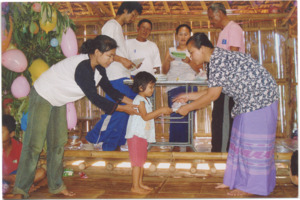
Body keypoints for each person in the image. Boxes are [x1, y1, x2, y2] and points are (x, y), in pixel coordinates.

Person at [12, 35, 139, 199]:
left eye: (113, 55)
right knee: (34, 144)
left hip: (58, 99)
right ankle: (20, 190)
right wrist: (125, 109)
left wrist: (135, 103)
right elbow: (95, 98)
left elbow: (113, 92)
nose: (112, 59)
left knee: (58, 143)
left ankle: (56, 186)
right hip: (44, 93)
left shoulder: (99, 69)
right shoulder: (83, 68)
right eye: (110, 55)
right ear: (97, 52)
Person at [174, 33, 278, 196]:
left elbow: (213, 96)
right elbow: (212, 91)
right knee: (239, 142)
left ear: (202, 49)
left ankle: (251, 186)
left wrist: (188, 108)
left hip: (260, 98)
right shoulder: (215, 60)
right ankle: (236, 180)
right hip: (247, 101)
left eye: (192, 52)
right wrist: (187, 97)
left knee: (252, 144)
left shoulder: (217, 60)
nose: (190, 56)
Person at [86, 2, 143, 151]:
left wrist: (129, 64)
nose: (133, 18)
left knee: (125, 111)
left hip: (122, 75)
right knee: (116, 111)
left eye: (136, 16)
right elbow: (105, 50)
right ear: (125, 10)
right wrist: (122, 60)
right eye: (133, 14)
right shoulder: (111, 25)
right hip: (113, 76)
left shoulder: (117, 28)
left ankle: (112, 144)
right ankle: (92, 138)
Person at [125, 71, 172, 194]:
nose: (152, 90)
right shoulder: (139, 100)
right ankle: (135, 186)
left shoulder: (145, 100)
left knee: (141, 161)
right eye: (150, 87)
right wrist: (161, 110)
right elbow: (145, 117)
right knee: (136, 162)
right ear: (141, 87)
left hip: (141, 135)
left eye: (153, 87)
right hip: (135, 135)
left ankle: (139, 183)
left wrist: (159, 112)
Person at [208, 3, 245, 152]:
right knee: (218, 118)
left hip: (228, 84)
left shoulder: (234, 29)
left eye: (211, 17)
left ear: (219, 13)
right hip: (221, 83)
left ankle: (223, 153)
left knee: (224, 119)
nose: (211, 21)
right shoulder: (224, 31)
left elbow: (234, 56)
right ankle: (217, 149)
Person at [162, 24, 200, 145]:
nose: (183, 37)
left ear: (190, 35)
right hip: (174, 87)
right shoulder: (170, 51)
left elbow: (199, 70)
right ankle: (175, 147)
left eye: (186, 34)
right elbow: (164, 71)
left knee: (188, 117)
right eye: (180, 34)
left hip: (190, 88)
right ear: (176, 36)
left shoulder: (193, 51)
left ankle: (189, 145)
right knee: (176, 116)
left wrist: (189, 62)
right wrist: (168, 61)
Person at [2, 115, 46, 195]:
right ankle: (19, 188)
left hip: (16, 178)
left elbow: (27, 170)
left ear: (12, 134)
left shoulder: (20, 147)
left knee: (41, 172)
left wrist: (25, 181)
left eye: (1, 132)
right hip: (4, 178)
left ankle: (17, 187)